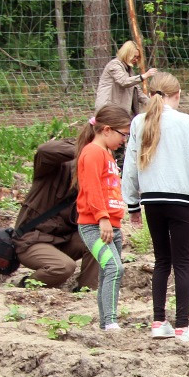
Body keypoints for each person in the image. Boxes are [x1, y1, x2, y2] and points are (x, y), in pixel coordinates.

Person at [122, 72, 189, 343]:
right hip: (179, 201)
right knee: (182, 262)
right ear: (178, 94)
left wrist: (132, 204)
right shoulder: (186, 122)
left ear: (151, 94)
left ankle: (159, 322)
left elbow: (130, 165)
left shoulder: (139, 121)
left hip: (151, 201)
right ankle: (183, 327)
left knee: (162, 261)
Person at [74, 105, 131, 331]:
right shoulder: (92, 153)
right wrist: (102, 218)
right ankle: (110, 321)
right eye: (123, 134)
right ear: (107, 129)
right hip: (95, 225)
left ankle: (105, 322)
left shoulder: (106, 153)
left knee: (109, 272)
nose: (124, 140)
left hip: (111, 224)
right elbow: (92, 188)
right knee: (115, 268)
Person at [13, 140, 99, 291]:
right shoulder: (55, 171)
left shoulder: (94, 184)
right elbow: (45, 150)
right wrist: (87, 151)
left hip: (62, 241)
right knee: (64, 267)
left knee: (98, 240)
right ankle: (27, 285)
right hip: (32, 241)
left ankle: (87, 291)